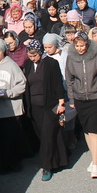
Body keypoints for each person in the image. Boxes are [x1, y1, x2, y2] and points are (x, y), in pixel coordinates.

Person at [65, 30, 97, 178]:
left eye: (82, 45)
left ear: (87, 44)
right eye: (77, 46)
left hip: (96, 96)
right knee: (87, 130)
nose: (80, 48)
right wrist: (71, 99)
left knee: (94, 129)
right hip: (80, 98)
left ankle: (95, 163)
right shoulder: (71, 57)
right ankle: (94, 158)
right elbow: (69, 80)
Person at [23, 38, 68, 180]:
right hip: (35, 106)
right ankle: (59, 159)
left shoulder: (51, 63)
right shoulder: (28, 64)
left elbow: (58, 83)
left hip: (50, 104)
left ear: (40, 52)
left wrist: (61, 102)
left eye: (34, 55)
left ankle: (46, 167)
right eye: (30, 55)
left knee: (48, 134)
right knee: (44, 135)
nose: (32, 58)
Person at [0, 38, 28, 173]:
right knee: (0, 139)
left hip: (11, 109)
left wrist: (9, 93)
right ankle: (3, 164)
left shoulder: (12, 66)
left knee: (11, 138)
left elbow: (22, 84)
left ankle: (15, 163)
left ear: (3, 51)